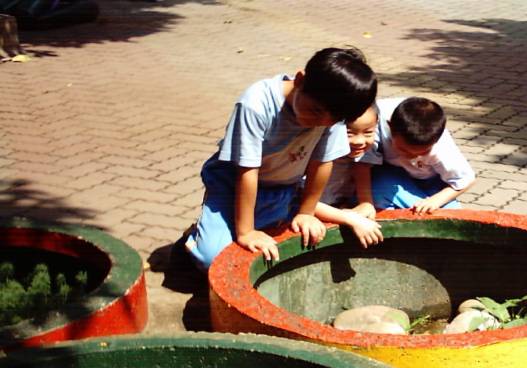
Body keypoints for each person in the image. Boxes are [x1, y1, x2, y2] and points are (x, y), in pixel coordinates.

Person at [184, 47, 377, 269]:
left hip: (284, 187)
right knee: (213, 259)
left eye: (333, 120)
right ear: (300, 80)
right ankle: (193, 240)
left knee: (287, 237)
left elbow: (322, 162)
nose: (322, 123)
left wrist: (306, 213)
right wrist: (246, 232)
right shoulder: (256, 104)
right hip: (234, 184)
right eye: (315, 111)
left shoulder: (332, 113)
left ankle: (228, 227)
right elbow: (247, 172)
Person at [369, 96, 475, 214]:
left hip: (431, 183)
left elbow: (465, 180)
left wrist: (435, 200)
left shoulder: (442, 150)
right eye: (403, 150)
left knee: (451, 214)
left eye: (423, 153)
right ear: (390, 127)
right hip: (389, 176)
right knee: (378, 191)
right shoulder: (374, 118)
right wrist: (365, 202)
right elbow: (363, 161)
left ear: (436, 141)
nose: (411, 157)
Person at [314, 104, 384, 248]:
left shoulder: (366, 150)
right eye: (349, 133)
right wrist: (351, 219)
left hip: (338, 204)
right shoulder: (318, 154)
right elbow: (303, 203)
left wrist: (366, 203)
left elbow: (362, 167)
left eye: (368, 133)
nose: (359, 141)